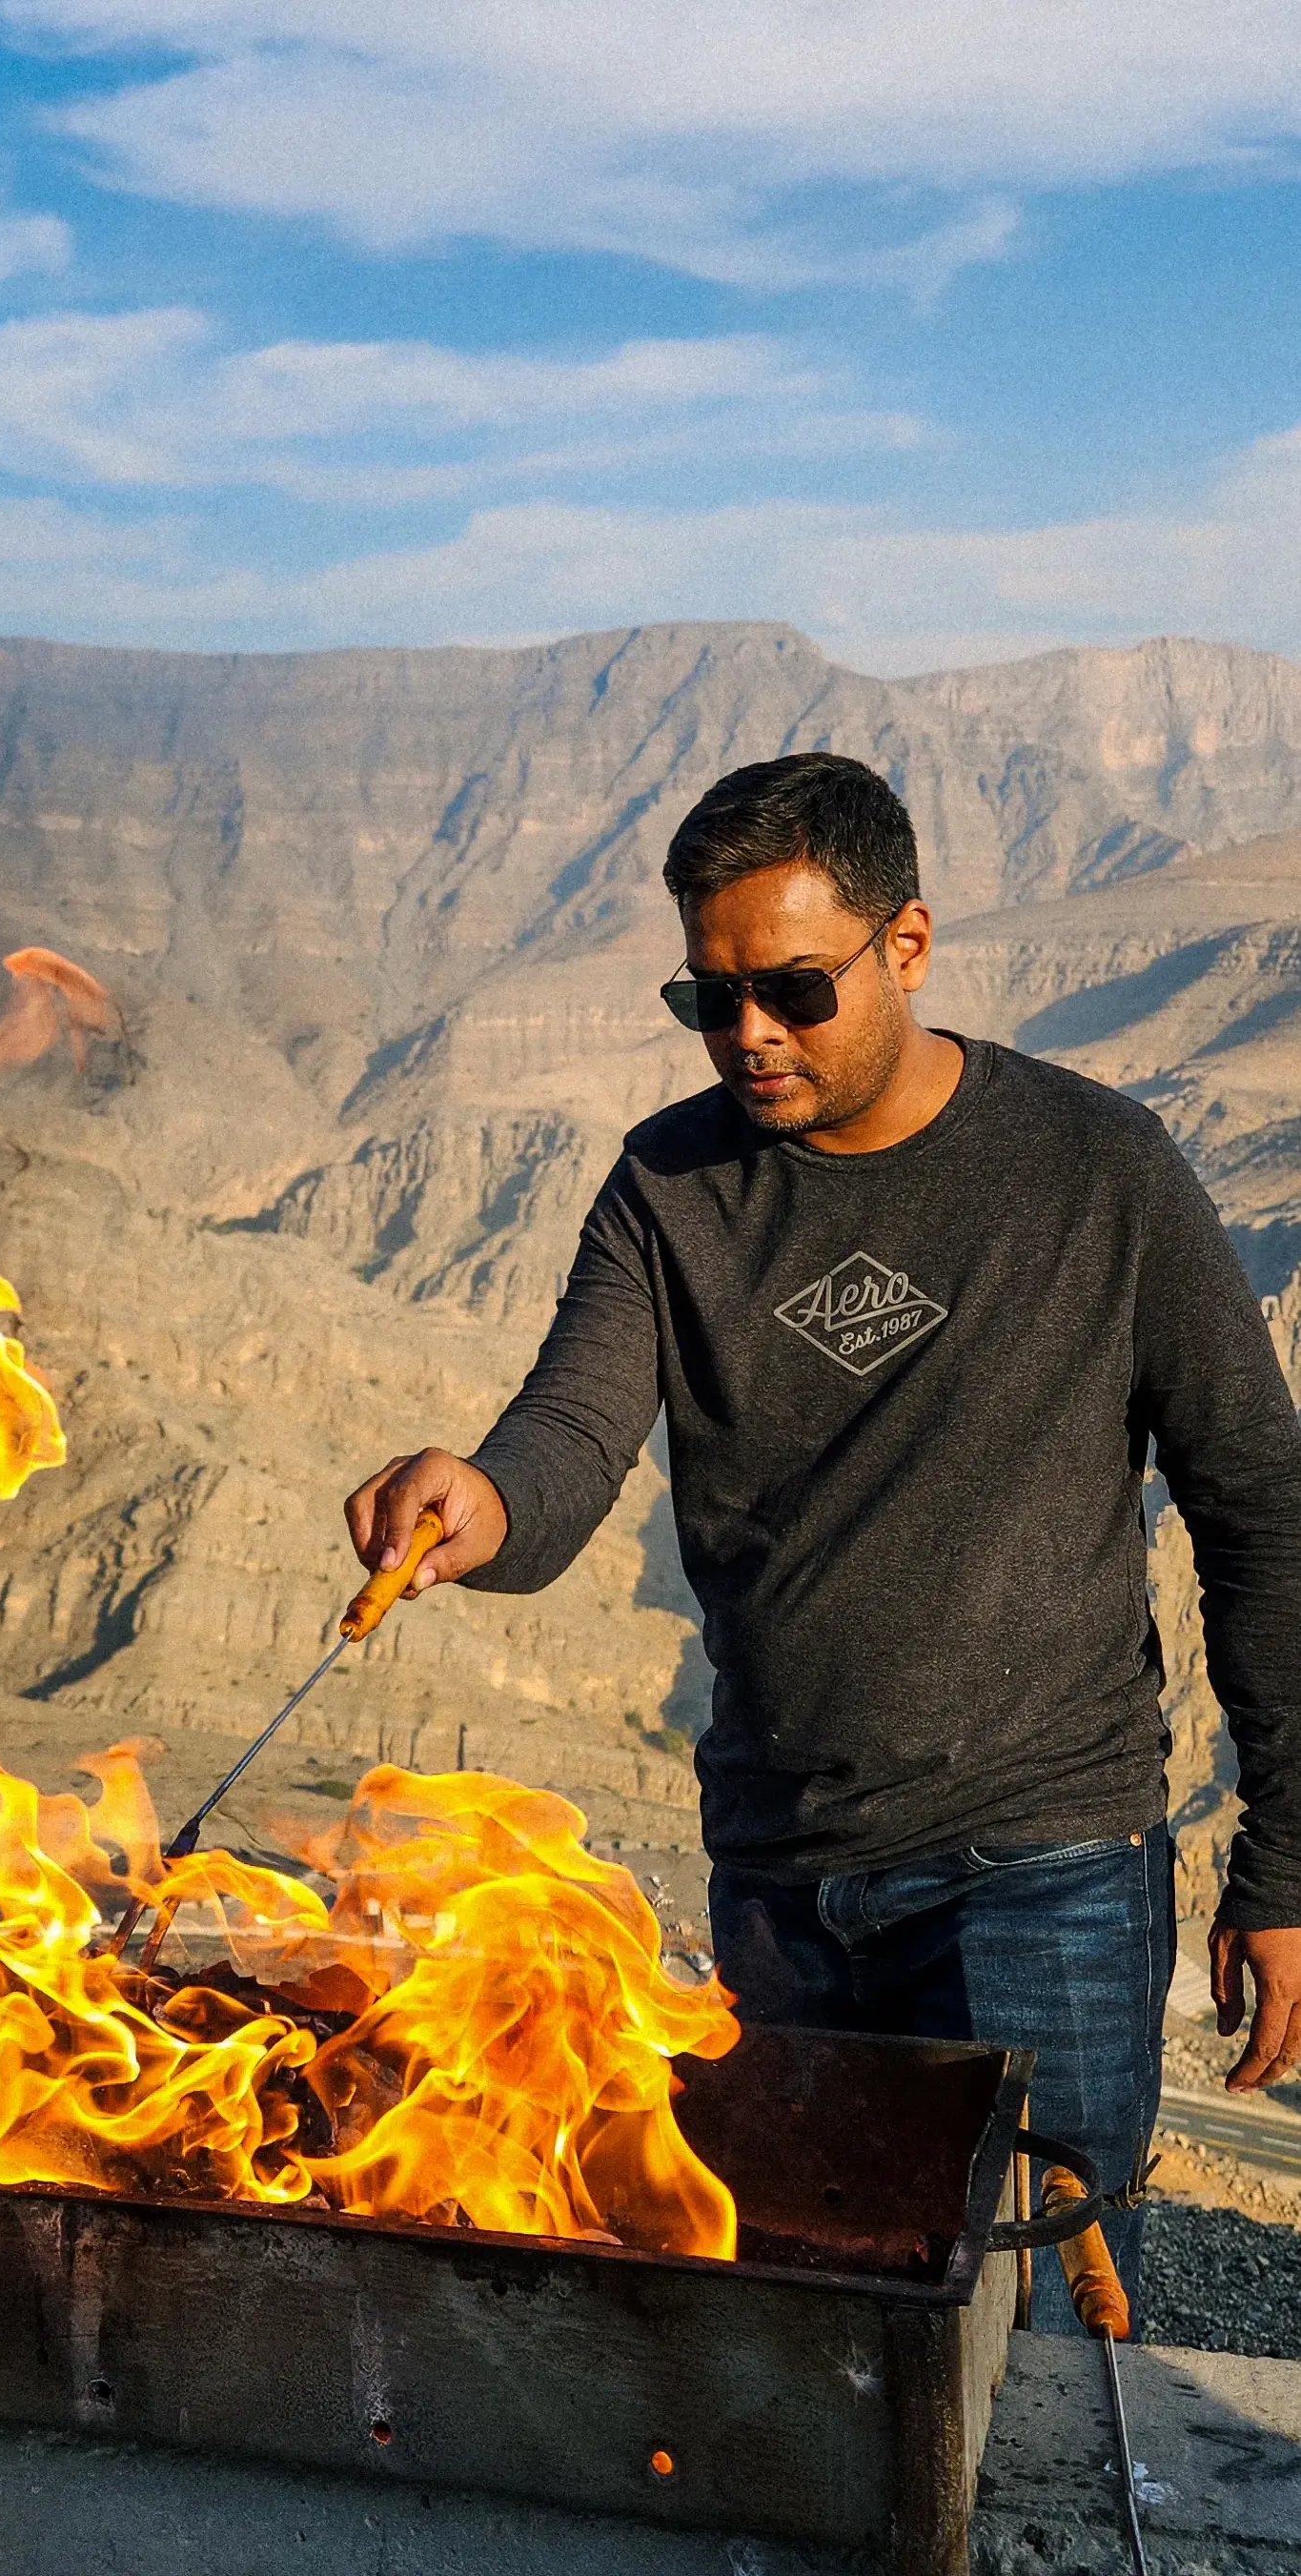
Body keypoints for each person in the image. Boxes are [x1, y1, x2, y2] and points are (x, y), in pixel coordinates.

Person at [345, 750, 1301, 2333]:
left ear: (905, 944)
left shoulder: (1099, 1171)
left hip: (1042, 1872)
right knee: (806, 2327)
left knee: (1033, 2340)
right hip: (780, 1880)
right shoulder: (669, 1185)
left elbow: (1261, 1513)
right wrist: (478, 1503)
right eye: (707, 999)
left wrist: (1285, 1864)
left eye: (792, 987)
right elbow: (570, 1433)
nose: (749, 1037)